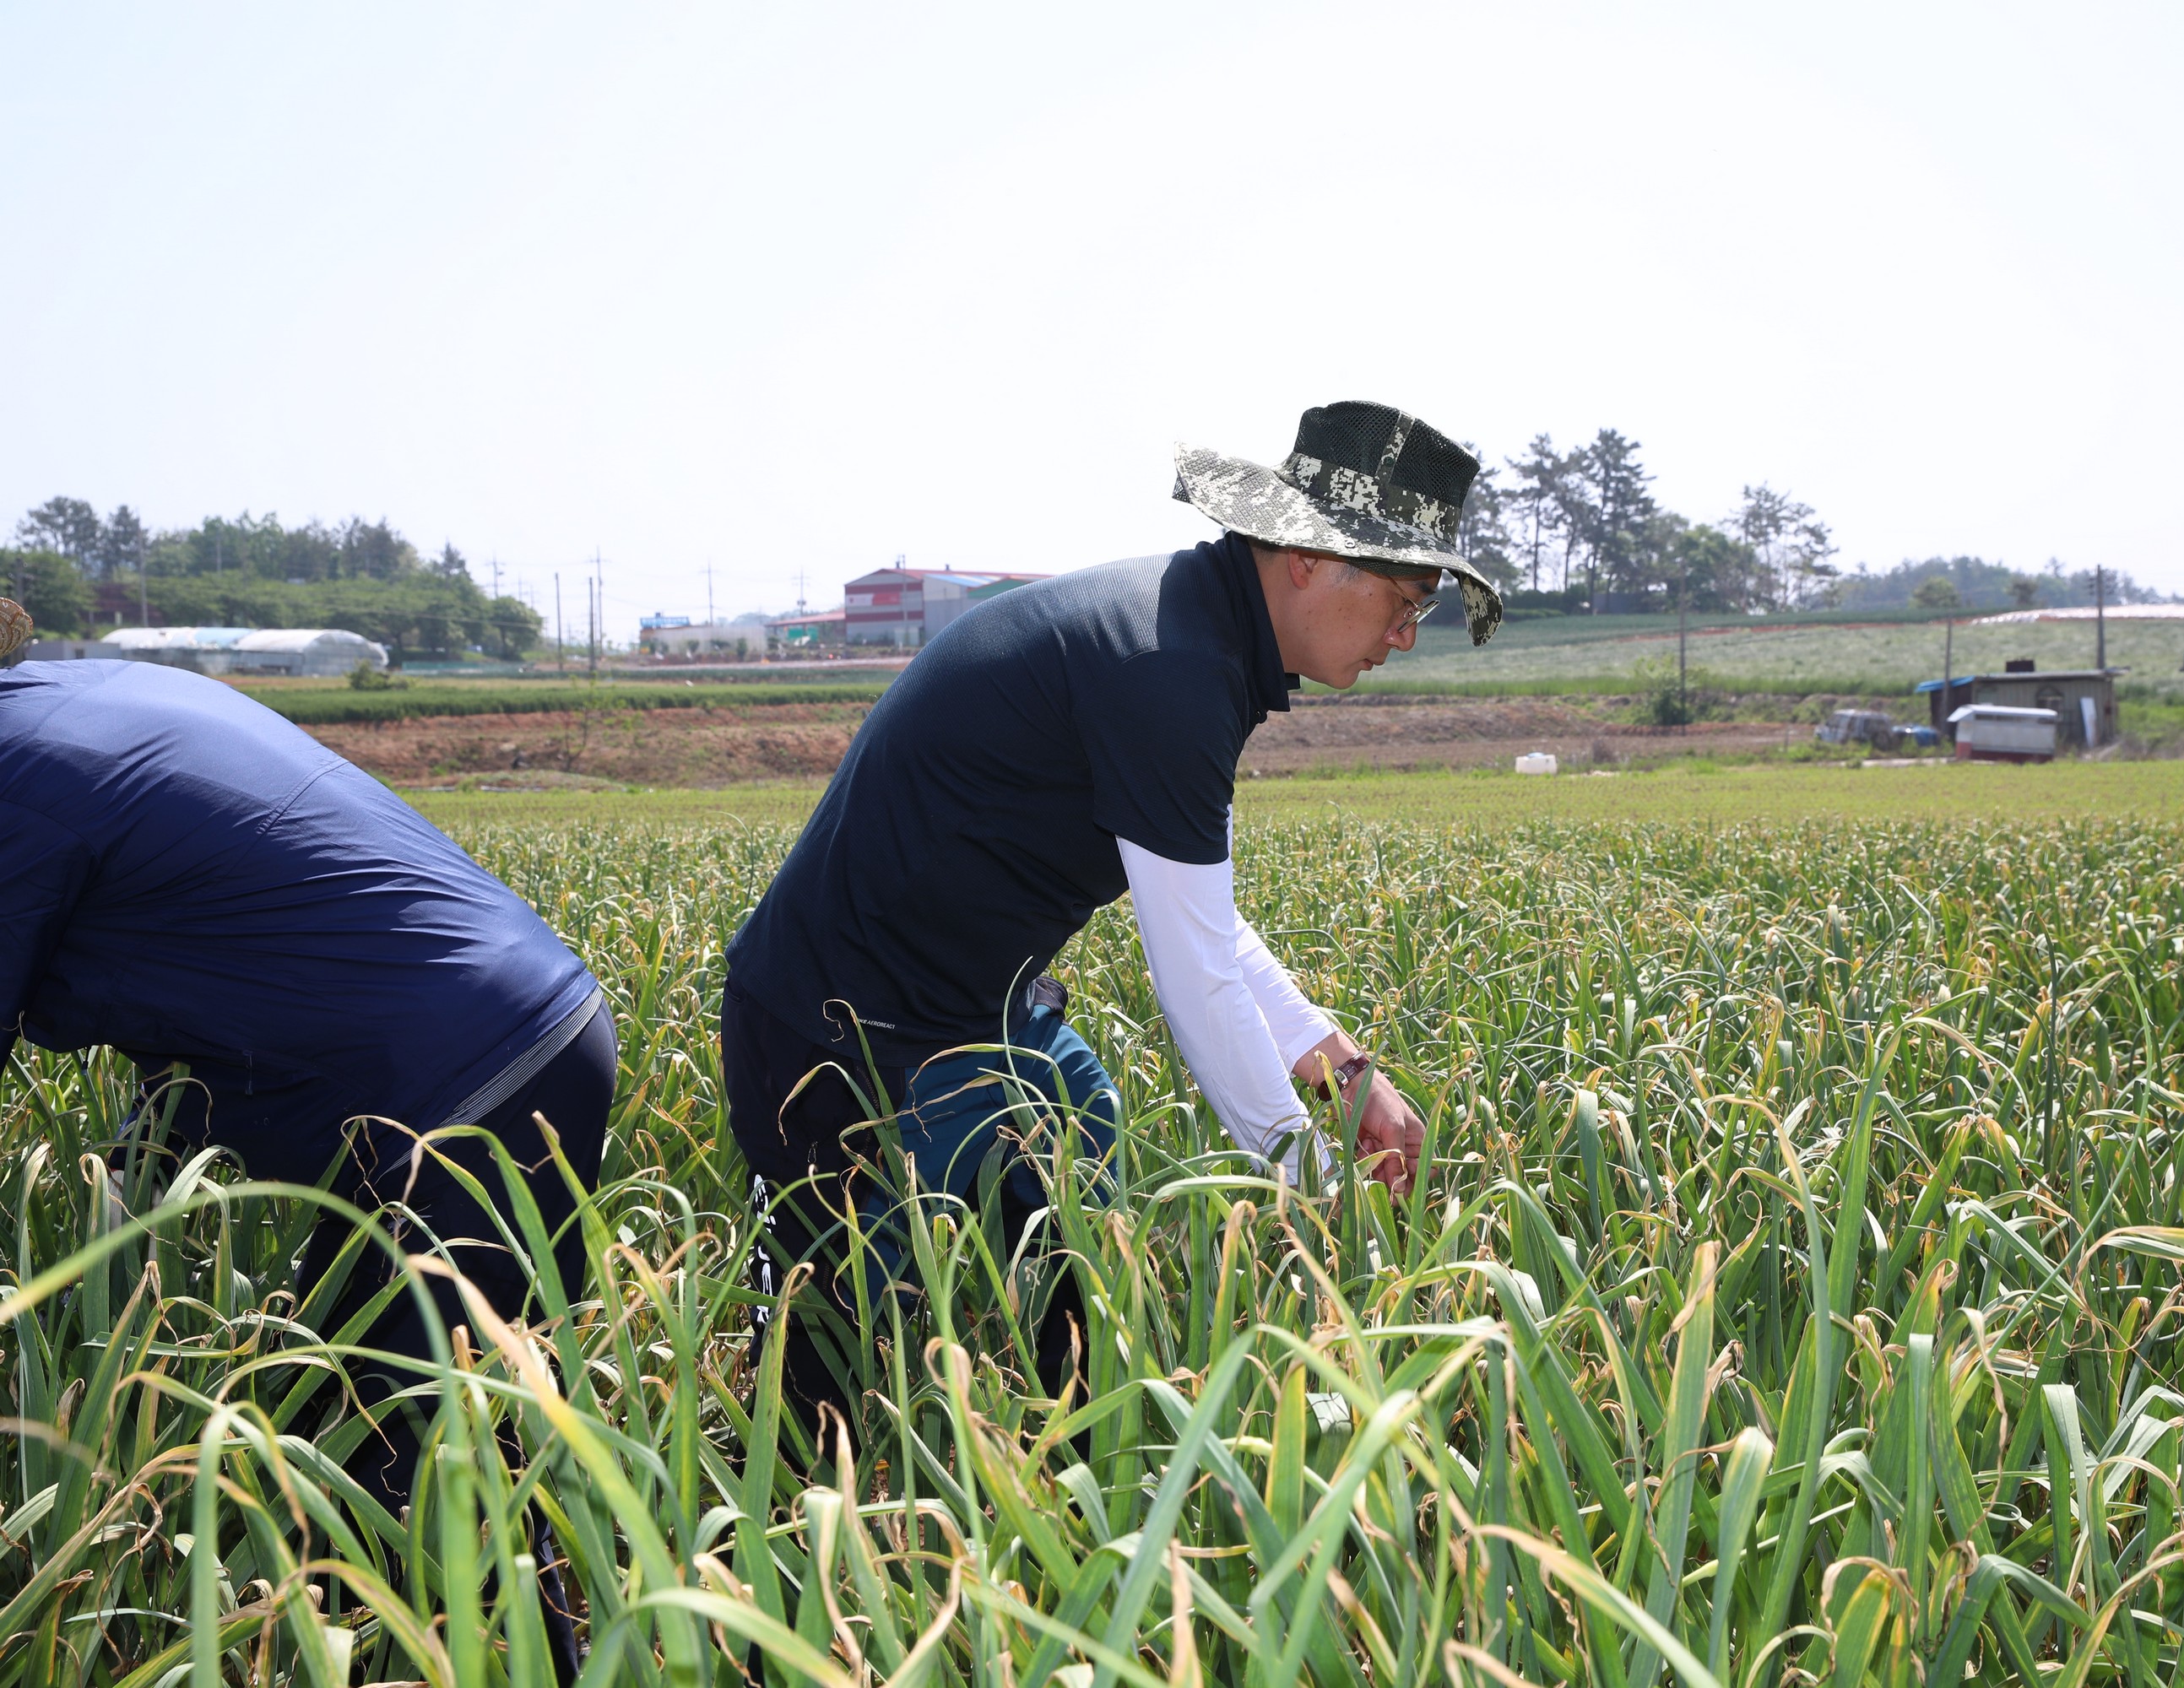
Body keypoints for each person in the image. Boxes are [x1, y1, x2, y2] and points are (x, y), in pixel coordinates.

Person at [722, 398, 1504, 1422]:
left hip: (983, 1016)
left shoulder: (1190, 632)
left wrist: (1344, 1069)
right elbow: (1196, 979)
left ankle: (1073, 1478)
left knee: (1084, 1275)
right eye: (1403, 599)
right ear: (1309, 559)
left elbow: (1202, 921)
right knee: (831, 1391)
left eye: (1426, 609)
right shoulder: (1170, 667)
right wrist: (1318, 1191)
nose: (1406, 634)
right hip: (845, 1042)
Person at [0, 628, 615, 1513]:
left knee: (418, 1478)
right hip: (510, 1037)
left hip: (464, 1085)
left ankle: (517, 1649)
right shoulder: (86, 697)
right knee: (342, 1432)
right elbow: (210, 969)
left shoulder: (17, 784)